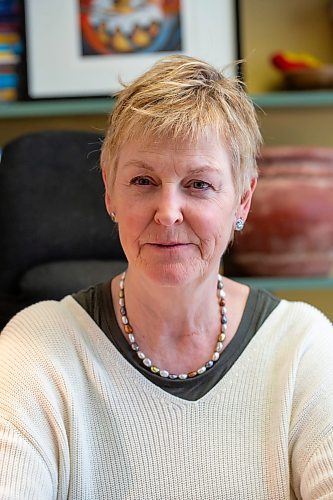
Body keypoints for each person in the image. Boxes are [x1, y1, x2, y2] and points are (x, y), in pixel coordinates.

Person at [0, 55, 333, 500]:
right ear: (109, 191)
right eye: (143, 180)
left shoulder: (303, 346)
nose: (168, 212)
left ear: (243, 199)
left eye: (199, 184)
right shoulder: (35, 347)